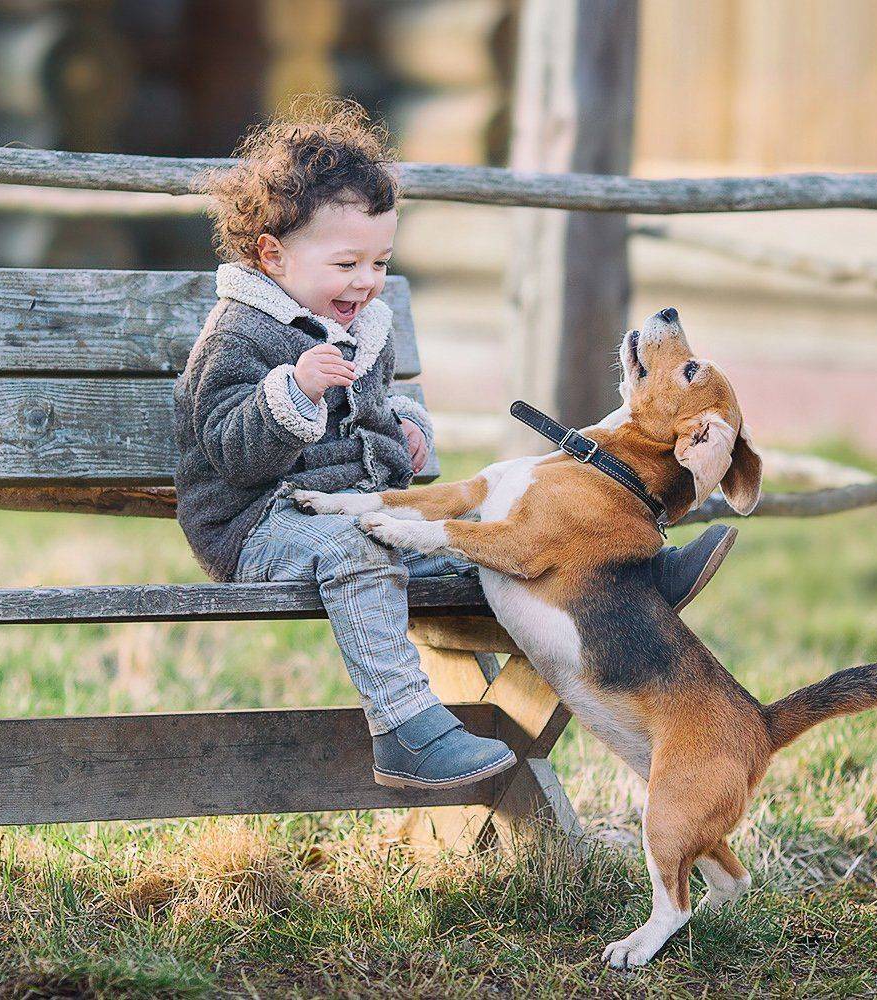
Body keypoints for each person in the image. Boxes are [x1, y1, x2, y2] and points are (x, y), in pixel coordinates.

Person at [172, 98, 736, 789]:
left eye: (379, 261)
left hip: (338, 508)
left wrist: (403, 434)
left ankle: (625, 570)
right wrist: (295, 392)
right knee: (366, 547)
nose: (367, 281)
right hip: (257, 528)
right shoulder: (239, 336)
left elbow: (370, 416)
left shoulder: (358, 324)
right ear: (273, 253)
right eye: (347, 262)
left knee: (485, 539)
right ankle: (406, 728)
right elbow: (232, 454)